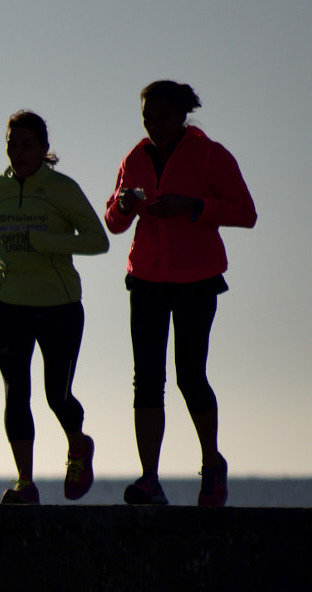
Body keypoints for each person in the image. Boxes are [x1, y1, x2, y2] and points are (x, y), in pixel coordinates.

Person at [102, 81, 257, 507]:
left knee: (191, 376)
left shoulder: (211, 155)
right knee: (147, 379)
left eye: (162, 117)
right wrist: (126, 206)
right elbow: (113, 221)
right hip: (147, 278)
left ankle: (211, 465)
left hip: (196, 278)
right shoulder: (135, 158)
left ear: (182, 115)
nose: (153, 126)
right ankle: (150, 479)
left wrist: (192, 207)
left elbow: (246, 213)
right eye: (147, 119)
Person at [0, 110, 108, 505]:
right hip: (7, 302)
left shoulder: (62, 189)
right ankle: (25, 482)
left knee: (56, 395)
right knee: (16, 392)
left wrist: (50, 243)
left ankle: (79, 446)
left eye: (28, 145)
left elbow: (98, 240)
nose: (18, 152)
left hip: (58, 304)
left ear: (45, 150)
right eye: (12, 144)